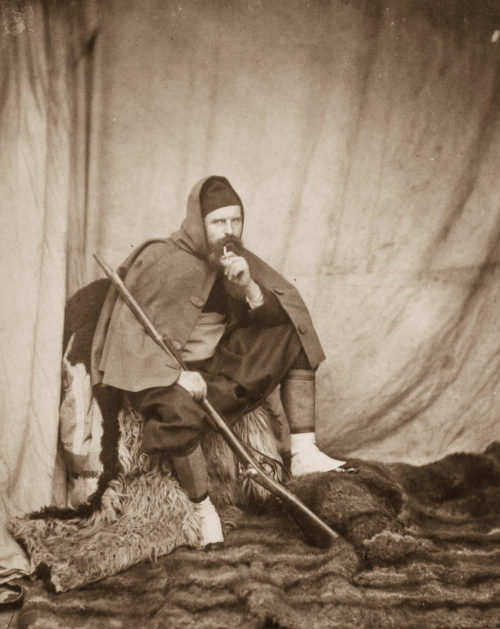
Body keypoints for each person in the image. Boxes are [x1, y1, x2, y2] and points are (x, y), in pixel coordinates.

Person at [91, 176, 345, 547]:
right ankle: (202, 508)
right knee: (176, 412)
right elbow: (126, 338)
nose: (228, 230)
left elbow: (280, 313)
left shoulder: (237, 259)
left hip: (217, 371)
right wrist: (176, 376)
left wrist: (249, 290)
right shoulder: (159, 258)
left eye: (235, 220)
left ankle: (304, 451)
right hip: (161, 376)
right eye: (218, 222)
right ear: (198, 222)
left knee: (290, 330)